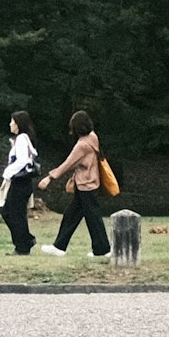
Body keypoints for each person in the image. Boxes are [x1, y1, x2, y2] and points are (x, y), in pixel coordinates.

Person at [46, 106, 110, 258]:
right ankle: (60, 246)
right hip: (91, 182)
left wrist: (50, 177)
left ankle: (103, 249)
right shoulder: (93, 137)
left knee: (92, 218)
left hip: (85, 184)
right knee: (73, 215)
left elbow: (68, 164)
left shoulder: (82, 145)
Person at [0, 109, 42, 254]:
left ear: (18, 124)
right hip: (24, 182)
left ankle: (23, 244)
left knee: (11, 213)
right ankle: (25, 241)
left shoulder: (22, 138)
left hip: (19, 181)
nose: (10, 124)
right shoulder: (24, 138)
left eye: (12, 121)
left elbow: (22, 160)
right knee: (15, 213)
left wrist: (8, 173)